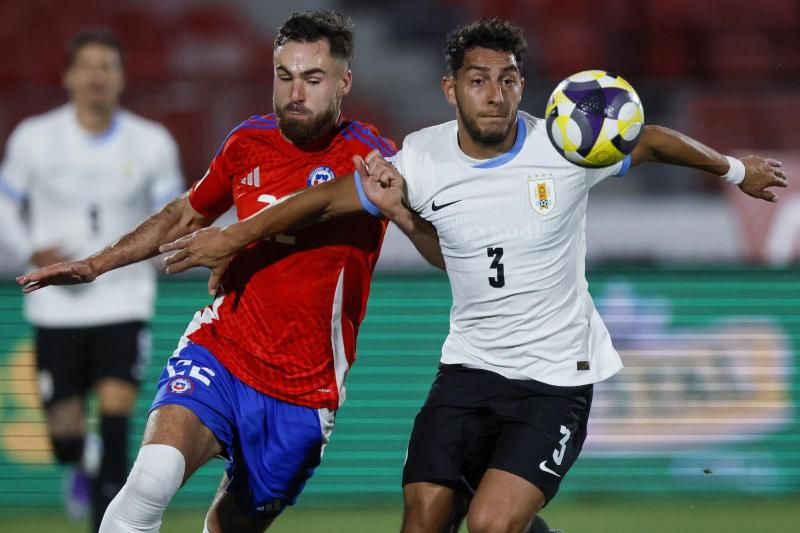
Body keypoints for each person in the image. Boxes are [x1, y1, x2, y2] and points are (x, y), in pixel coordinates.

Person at [142, 18, 788, 533]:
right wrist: (235, 232)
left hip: (554, 379)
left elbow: (644, 138)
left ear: (521, 85)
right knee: (422, 519)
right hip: (469, 371)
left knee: (489, 523)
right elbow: (323, 199)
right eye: (478, 80)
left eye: (507, 79)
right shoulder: (421, 157)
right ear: (452, 89)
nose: (495, 93)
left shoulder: (563, 145)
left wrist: (733, 169)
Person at [16, 10, 439, 533]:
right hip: (223, 350)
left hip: (303, 393)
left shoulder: (369, 158)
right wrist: (98, 263)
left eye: (312, 79)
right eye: (285, 77)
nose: (296, 93)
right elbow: (185, 212)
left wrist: (234, 237)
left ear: (344, 82)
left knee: (227, 527)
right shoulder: (247, 143)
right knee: (149, 481)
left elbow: (320, 204)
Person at [0, 28, 184, 531]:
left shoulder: (150, 142)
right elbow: (5, 204)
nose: (96, 77)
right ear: (68, 76)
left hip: (123, 299)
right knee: (63, 429)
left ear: (122, 78)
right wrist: (26, 248)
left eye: (107, 67)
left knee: (118, 409)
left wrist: (164, 256)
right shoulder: (34, 138)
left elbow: (174, 211)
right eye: (87, 66)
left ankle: (105, 520)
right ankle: (80, 459)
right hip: (54, 303)